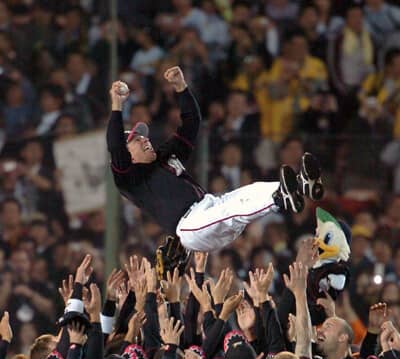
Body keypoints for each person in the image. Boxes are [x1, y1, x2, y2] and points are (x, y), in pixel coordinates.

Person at [106, 66, 323, 253]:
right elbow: (115, 146)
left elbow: (192, 122)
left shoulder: (165, 156)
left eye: (144, 136)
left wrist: (181, 87)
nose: (145, 139)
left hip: (210, 207)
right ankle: (279, 198)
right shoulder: (130, 178)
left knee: (247, 192)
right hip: (190, 226)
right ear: (127, 155)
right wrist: (116, 105)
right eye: (137, 140)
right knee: (230, 211)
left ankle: (300, 185)